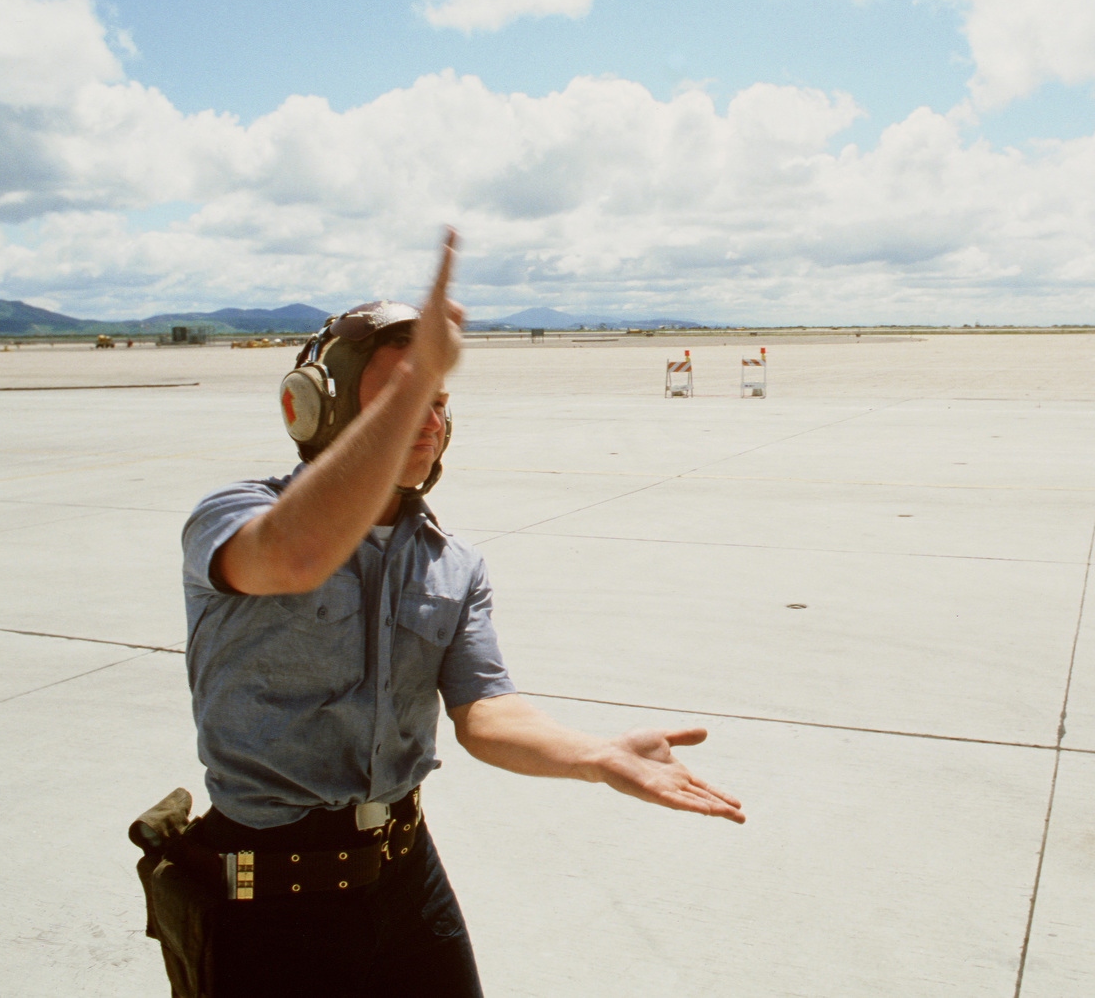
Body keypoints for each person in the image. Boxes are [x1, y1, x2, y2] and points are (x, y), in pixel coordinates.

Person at [178, 228, 743, 997]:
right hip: (270, 901)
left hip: (406, 878)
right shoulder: (234, 516)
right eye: (401, 401)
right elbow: (299, 554)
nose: (429, 420)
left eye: (439, 402)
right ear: (319, 411)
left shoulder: (451, 560)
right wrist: (423, 375)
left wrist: (594, 755)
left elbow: (485, 712)